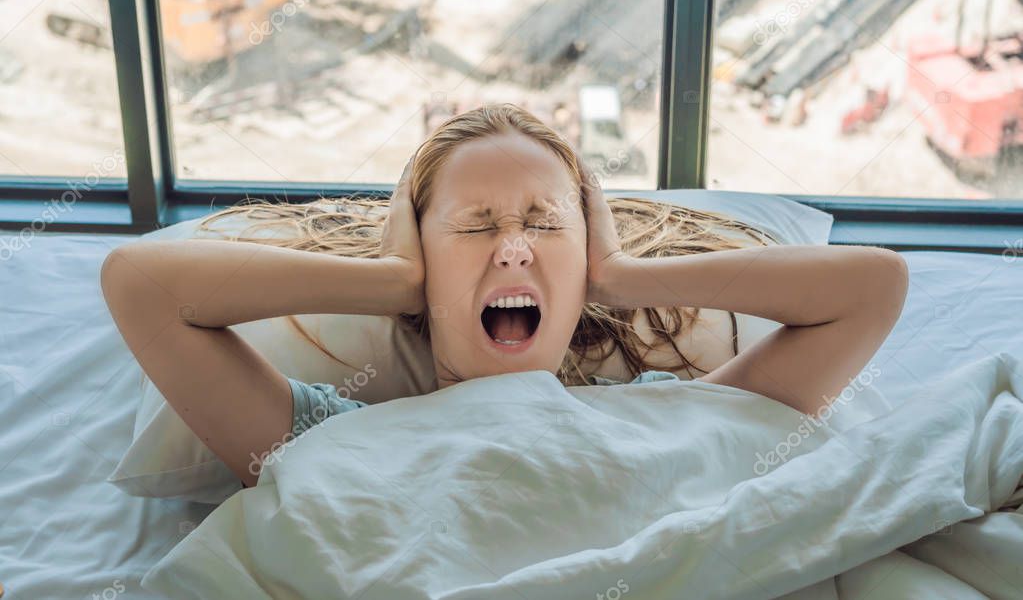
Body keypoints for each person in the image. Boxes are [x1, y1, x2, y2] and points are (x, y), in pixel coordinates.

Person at [100, 103, 908, 488]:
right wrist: (393, 281)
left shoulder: (668, 410)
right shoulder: (315, 438)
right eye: (475, 226)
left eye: (544, 224)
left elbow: (872, 288)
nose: (513, 247)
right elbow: (140, 285)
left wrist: (620, 275)